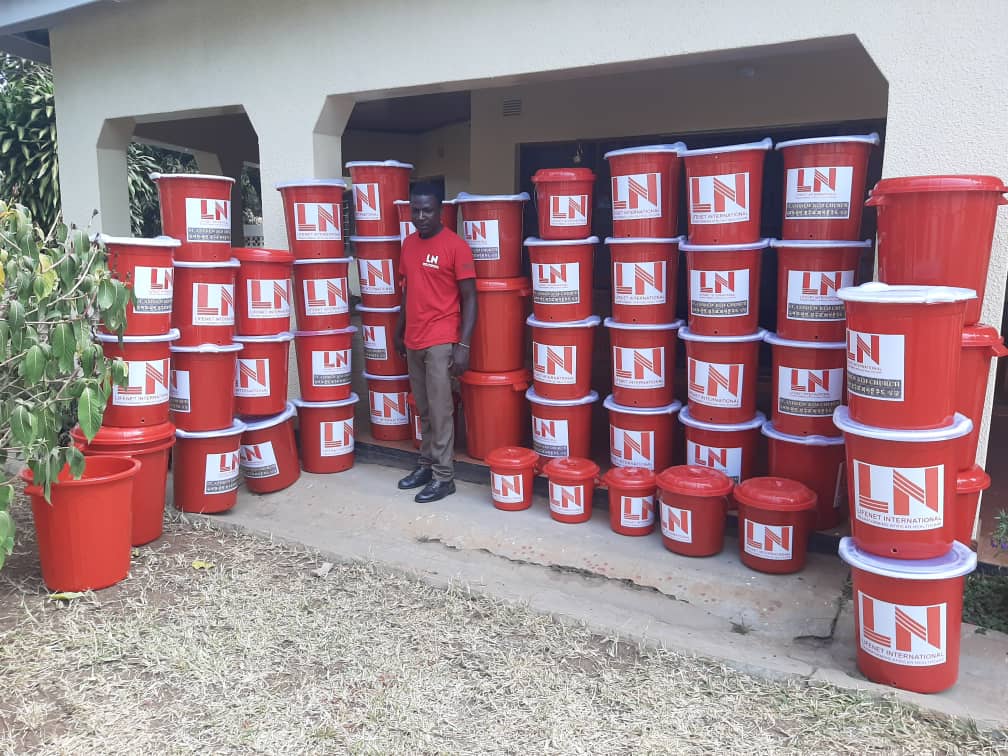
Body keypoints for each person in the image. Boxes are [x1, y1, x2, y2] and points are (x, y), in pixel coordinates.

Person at [394, 182, 477, 502]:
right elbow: (407, 291)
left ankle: (445, 477)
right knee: (425, 408)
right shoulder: (408, 245)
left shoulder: (456, 246)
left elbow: (471, 298)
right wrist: (399, 330)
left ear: (440, 210)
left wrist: (464, 345)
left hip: (442, 338)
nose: (421, 216)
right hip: (414, 337)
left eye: (427, 210)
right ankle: (426, 464)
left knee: (441, 410)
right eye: (415, 210)